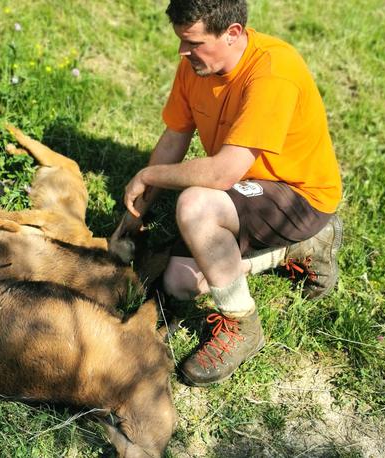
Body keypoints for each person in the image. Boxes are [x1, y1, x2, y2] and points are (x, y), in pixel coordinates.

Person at [115, 0, 343, 386]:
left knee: (195, 203)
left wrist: (148, 173)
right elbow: (175, 137)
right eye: (181, 42)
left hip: (299, 195)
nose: (182, 52)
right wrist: (131, 219)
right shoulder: (196, 67)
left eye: (193, 42)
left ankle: (242, 327)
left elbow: (221, 174)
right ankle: (297, 249)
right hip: (242, 191)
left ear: (233, 33)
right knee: (179, 283)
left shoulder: (273, 72)